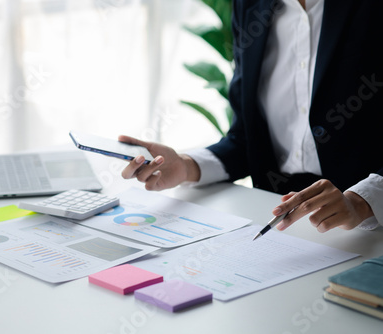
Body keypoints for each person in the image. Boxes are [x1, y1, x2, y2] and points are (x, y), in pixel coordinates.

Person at [120, 0, 383, 233]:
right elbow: (246, 138)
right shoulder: (250, 6)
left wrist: (361, 202)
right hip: (275, 218)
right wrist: (187, 166)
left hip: (369, 228)